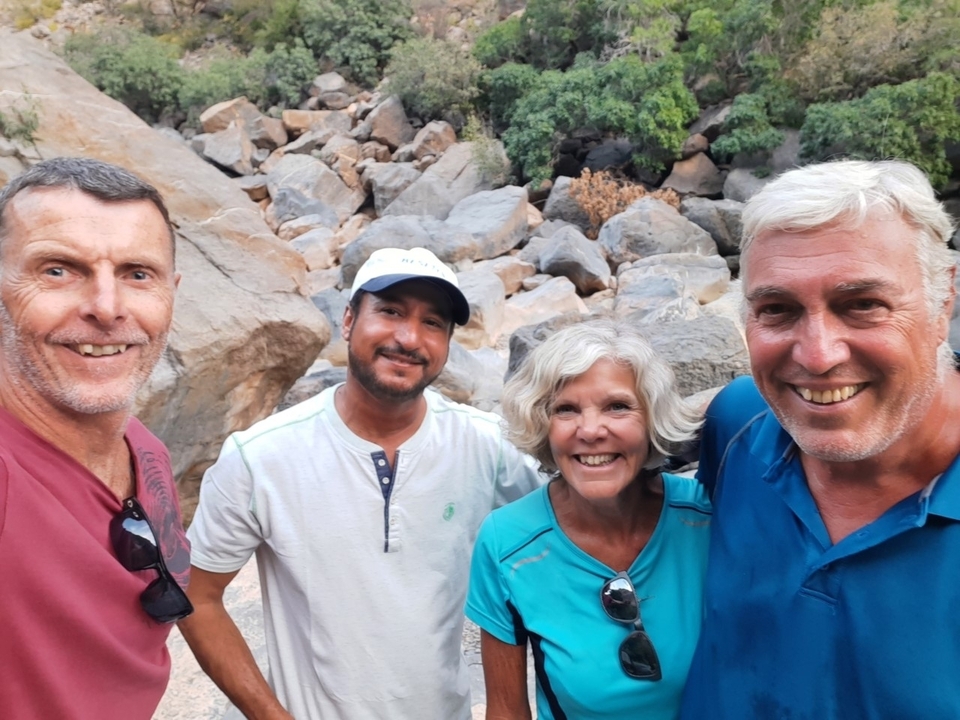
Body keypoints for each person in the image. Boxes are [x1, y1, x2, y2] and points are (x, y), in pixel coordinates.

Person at [180, 246, 543, 720]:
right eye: (390, 311)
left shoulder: (487, 447)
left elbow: (576, 526)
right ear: (348, 320)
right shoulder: (260, 458)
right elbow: (196, 596)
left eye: (433, 323)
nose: (409, 337)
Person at [679, 159, 960, 719]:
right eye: (777, 310)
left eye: (863, 305)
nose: (818, 355)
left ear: (944, 299)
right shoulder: (739, 422)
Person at [0, 157, 192, 720]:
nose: (107, 308)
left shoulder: (146, 451)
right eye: (58, 270)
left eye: (138, 273)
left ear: (171, 294)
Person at [467, 319, 710, 720]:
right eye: (566, 409)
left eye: (617, 406)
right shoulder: (506, 542)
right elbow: (507, 711)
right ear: (542, 425)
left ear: (651, 419)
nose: (591, 430)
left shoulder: (707, 517)